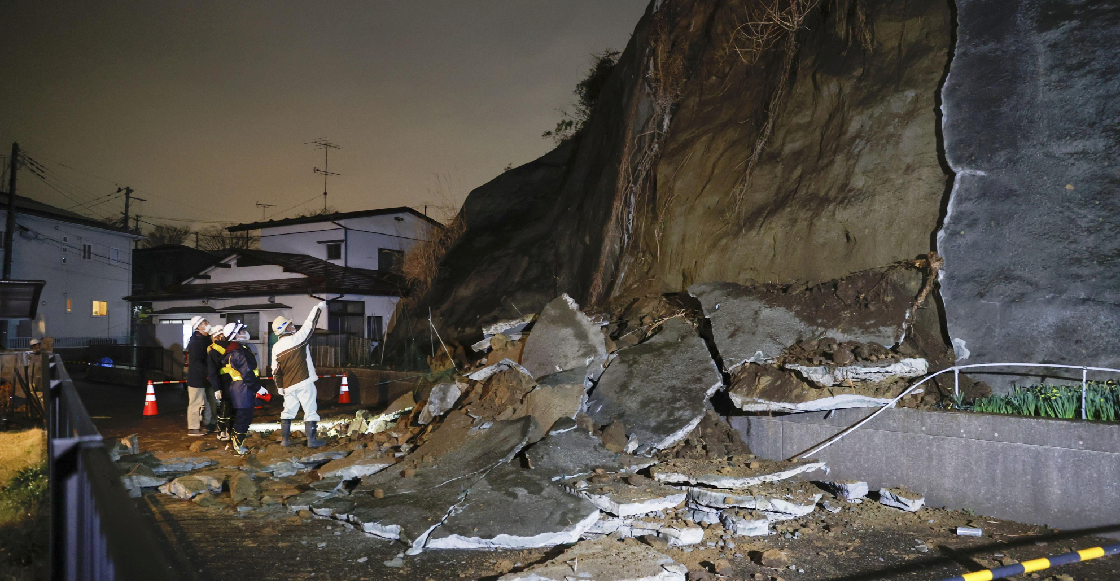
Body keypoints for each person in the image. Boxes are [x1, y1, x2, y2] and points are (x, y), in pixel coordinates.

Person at [271, 301, 327, 448]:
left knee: (288, 411)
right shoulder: (298, 338)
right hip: (304, 381)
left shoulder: (276, 347)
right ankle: (312, 441)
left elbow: (275, 370)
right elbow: (310, 323)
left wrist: (279, 387)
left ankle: (285, 440)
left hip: (288, 386)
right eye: (289, 325)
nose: (292, 326)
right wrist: (318, 307)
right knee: (310, 410)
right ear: (284, 329)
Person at [220, 322, 260, 454]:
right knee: (244, 417)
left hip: (239, 387)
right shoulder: (239, 352)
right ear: (235, 335)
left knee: (241, 416)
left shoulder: (234, 349)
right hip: (244, 388)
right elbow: (247, 372)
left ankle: (235, 442)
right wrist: (257, 387)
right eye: (241, 331)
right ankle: (238, 445)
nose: (245, 333)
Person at [185, 317, 215, 436]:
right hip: (197, 378)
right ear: (198, 327)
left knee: (210, 402)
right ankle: (193, 428)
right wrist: (209, 373)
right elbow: (197, 362)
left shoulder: (206, 340)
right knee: (195, 403)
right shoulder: (196, 342)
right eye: (204, 323)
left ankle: (209, 424)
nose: (207, 324)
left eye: (207, 322)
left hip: (206, 377)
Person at [207, 323, 234, 441]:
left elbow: (212, 372)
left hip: (228, 383)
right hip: (228, 383)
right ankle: (224, 431)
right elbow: (212, 372)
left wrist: (217, 387)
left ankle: (226, 431)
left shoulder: (215, 351)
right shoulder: (216, 351)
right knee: (227, 408)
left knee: (228, 408)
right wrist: (217, 388)